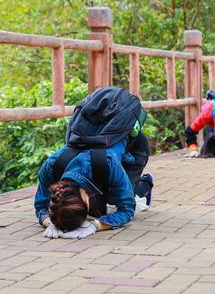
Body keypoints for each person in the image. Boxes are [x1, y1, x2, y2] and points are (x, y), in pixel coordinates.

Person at [34, 87, 154, 238]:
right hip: (97, 150)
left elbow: (126, 210)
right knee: (98, 208)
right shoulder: (52, 166)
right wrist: (51, 221)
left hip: (134, 150)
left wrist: (96, 225)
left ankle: (145, 185)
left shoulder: (109, 163)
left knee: (114, 199)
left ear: (85, 198)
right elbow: (40, 207)